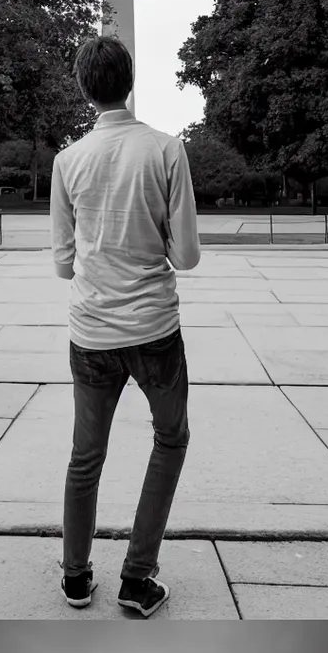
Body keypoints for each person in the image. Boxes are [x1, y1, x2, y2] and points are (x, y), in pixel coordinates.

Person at [51, 37, 200, 617]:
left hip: (91, 331)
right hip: (155, 330)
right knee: (170, 439)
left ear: (85, 90)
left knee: (85, 457)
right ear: (129, 83)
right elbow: (186, 256)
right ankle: (137, 578)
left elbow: (64, 263)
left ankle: (75, 576)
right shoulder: (166, 150)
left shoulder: (68, 161)